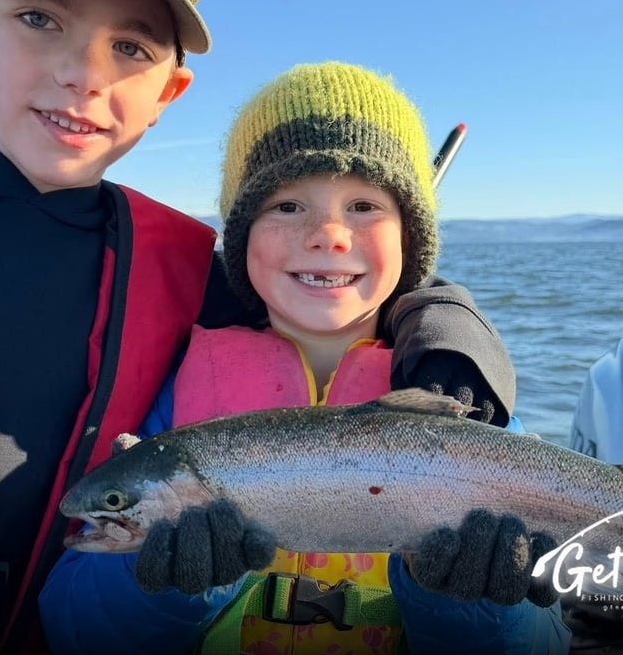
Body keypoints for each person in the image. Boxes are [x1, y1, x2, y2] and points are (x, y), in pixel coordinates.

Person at [0, 0, 518, 654]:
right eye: (39, 18)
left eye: (131, 48)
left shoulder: (188, 273)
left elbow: (341, 290)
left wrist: (446, 327)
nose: (83, 74)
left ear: (170, 90)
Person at [38, 62, 572, 655]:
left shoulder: (468, 403)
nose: (328, 234)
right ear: (241, 239)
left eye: (365, 205)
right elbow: (71, 630)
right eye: (287, 205)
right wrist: (161, 586)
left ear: (410, 238)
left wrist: (473, 605)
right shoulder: (173, 407)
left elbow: (543, 644)